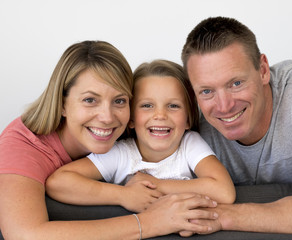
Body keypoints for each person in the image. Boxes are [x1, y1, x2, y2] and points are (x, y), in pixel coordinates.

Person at [0, 41, 218, 240]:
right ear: (62, 104)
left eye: (120, 100)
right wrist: (148, 222)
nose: (107, 117)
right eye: (90, 100)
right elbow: (25, 235)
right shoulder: (22, 147)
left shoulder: (132, 128)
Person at [180, 16, 292, 234]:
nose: (224, 106)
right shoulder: (185, 116)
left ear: (263, 69)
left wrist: (222, 216)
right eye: (207, 91)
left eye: (236, 83)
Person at [46, 59, 235, 212]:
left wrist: (156, 185)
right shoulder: (122, 153)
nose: (160, 115)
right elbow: (58, 182)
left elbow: (224, 191)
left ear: (188, 119)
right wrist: (123, 195)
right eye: (147, 105)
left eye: (173, 106)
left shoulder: (189, 144)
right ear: (130, 118)